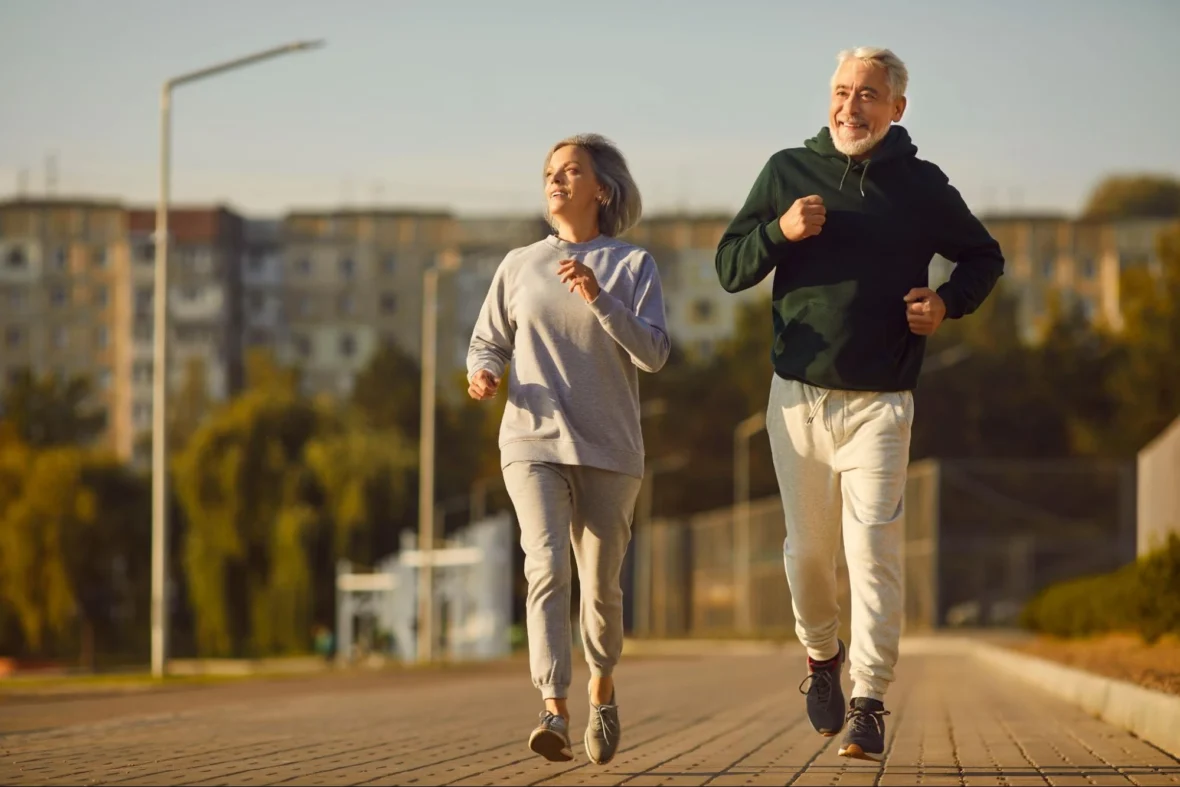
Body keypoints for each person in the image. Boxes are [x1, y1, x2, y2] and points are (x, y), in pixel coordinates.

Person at [714, 47, 1004, 762]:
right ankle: (821, 655)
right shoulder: (788, 170)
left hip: (882, 403)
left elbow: (984, 256)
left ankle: (869, 700)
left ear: (896, 107)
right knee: (810, 553)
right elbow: (727, 266)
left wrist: (946, 303)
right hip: (798, 402)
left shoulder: (922, 186)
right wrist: (780, 232)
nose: (851, 106)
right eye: (842, 92)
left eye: (868, 94)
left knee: (871, 554)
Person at [467, 133, 670, 764]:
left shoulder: (632, 267)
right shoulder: (518, 264)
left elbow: (655, 354)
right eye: (550, 171)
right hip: (531, 439)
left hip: (609, 448)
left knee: (601, 589)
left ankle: (602, 688)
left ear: (600, 189)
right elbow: (487, 340)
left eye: (570, 170)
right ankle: (553, 706)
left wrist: (598, 296)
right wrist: (484, 371)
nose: (555, 179)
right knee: (547, 565)